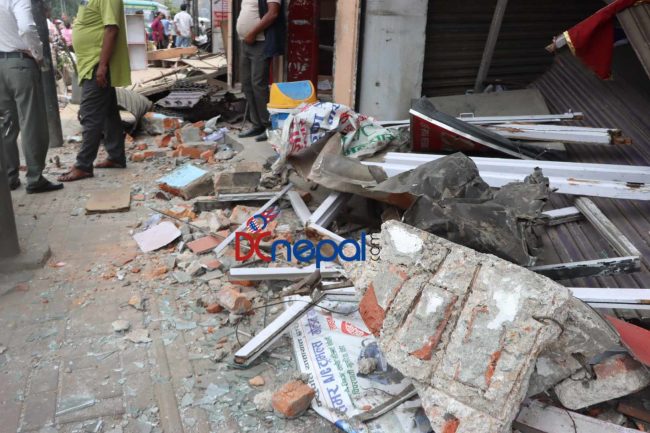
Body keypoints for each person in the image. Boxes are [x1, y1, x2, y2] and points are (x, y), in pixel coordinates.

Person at [58, 0, 131, 182]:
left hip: (96, 65)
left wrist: (102, 65)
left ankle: (83, 166)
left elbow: (111, 29)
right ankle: (116, 156)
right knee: (109, 113)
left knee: (89, 115)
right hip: (91, 64)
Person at [0, 0, 63, 193]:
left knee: (6, 124)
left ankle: (9, 177)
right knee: (31, 121)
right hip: (19, 63)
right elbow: (27, 28)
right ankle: (35, 178)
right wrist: (38, 54)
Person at [236, 0, 285, 141]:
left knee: (258, 84)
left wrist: (252, 33)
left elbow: (272, 13)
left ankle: (269, 126)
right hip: (246, 42)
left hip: (260, 42)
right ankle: (257, 125)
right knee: (247, 84)